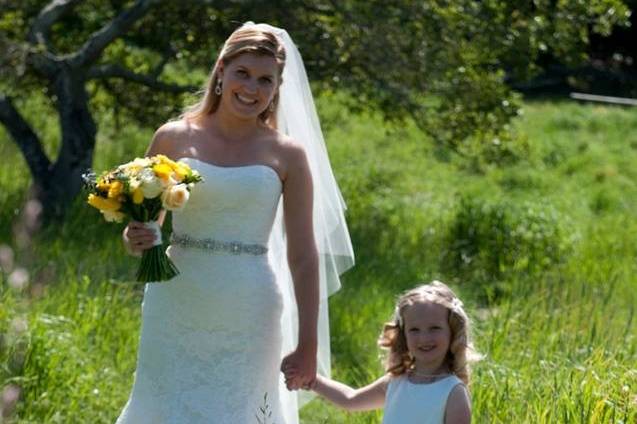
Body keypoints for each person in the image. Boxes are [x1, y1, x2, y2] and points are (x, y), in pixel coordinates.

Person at [116, 22, 354, 424]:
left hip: (250, 307)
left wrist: (307, 344)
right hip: (176, 299)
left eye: (265, 79)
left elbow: (302, 255)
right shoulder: (173, 138)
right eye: (243, 73)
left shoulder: (288, 154)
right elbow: (143, 228)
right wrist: (134, 237)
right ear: (221, 71)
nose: (252, 88)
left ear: (277, 87)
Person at [293, 281, 479, 424]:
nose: (424, 338)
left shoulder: (452, 392)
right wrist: (312, 380)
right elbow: (351, 399)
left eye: (434, 328)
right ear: (403, 336)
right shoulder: (396, 382)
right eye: (414, 330)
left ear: (452, 331)